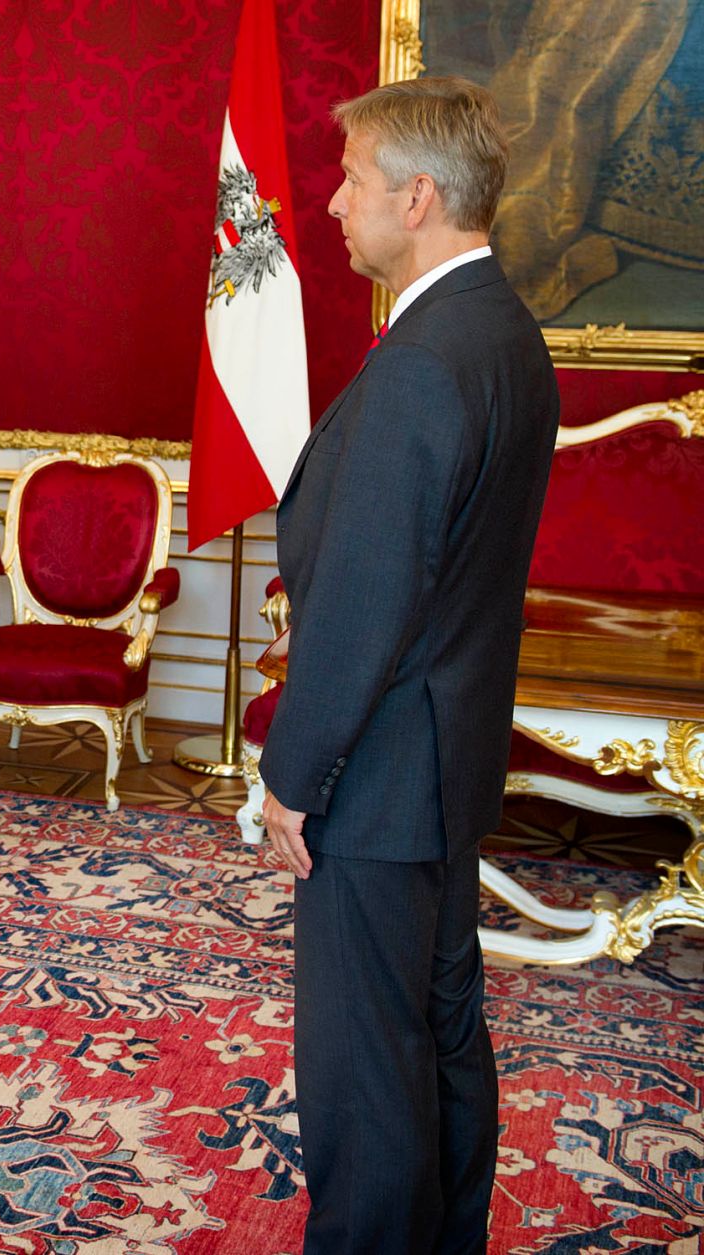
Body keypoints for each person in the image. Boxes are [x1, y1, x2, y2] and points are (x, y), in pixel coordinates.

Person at [259, 78, 559, 1252]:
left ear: (418, 197)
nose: (332, 205)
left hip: (378, 779)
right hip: (442, 759)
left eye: (351, 182)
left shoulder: (429, 358)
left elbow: (370, 604)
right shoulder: (501, 329)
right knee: (437, 1031)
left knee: (361, 1070)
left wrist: (292, 774)